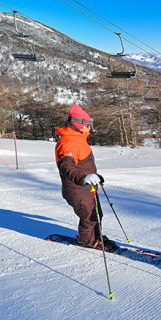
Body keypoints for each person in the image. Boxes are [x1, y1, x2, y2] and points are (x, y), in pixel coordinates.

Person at [55, 104, 113, 251]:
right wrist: (84, 177)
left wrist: (92, 176)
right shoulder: (69, 141)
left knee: (96, 212)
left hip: (86, 187)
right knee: (88, 216)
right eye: (88, 125)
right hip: (77, 188)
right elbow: (66, 166)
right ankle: (89, 241)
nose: (90, 128)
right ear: (79, 125)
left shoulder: (77, 139)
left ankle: (94, 236)